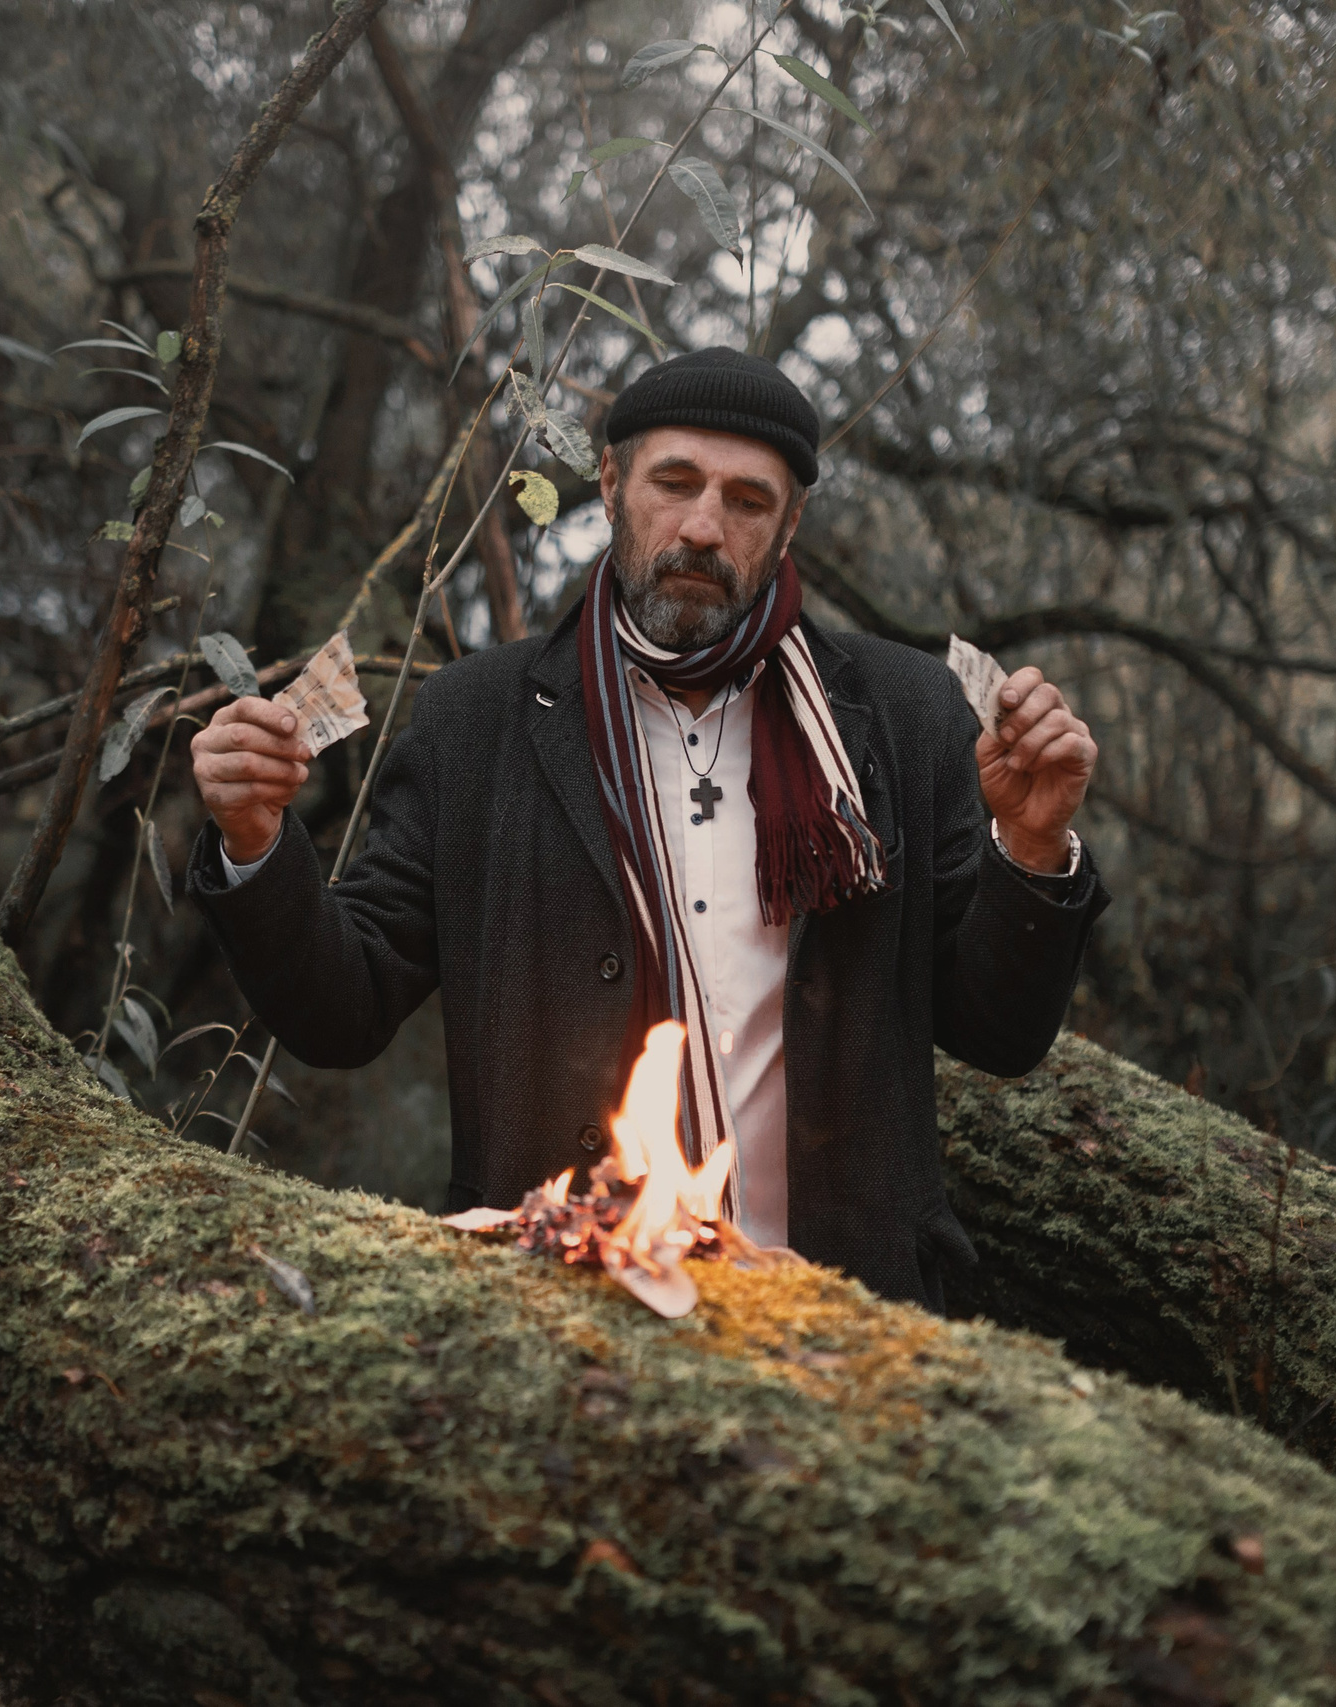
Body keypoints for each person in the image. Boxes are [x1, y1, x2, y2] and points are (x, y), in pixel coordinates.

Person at [187, 347, 1106, 1309]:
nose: (705, 526)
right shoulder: (478, 720)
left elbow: (999, 1033)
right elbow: (341, 1007)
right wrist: (255, 840)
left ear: (789, 527)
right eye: (676, 483)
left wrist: (1034, 848)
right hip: (559, 1315)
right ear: (613, 483)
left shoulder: (906, 716)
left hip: (843, 1316)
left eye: (749, 502)